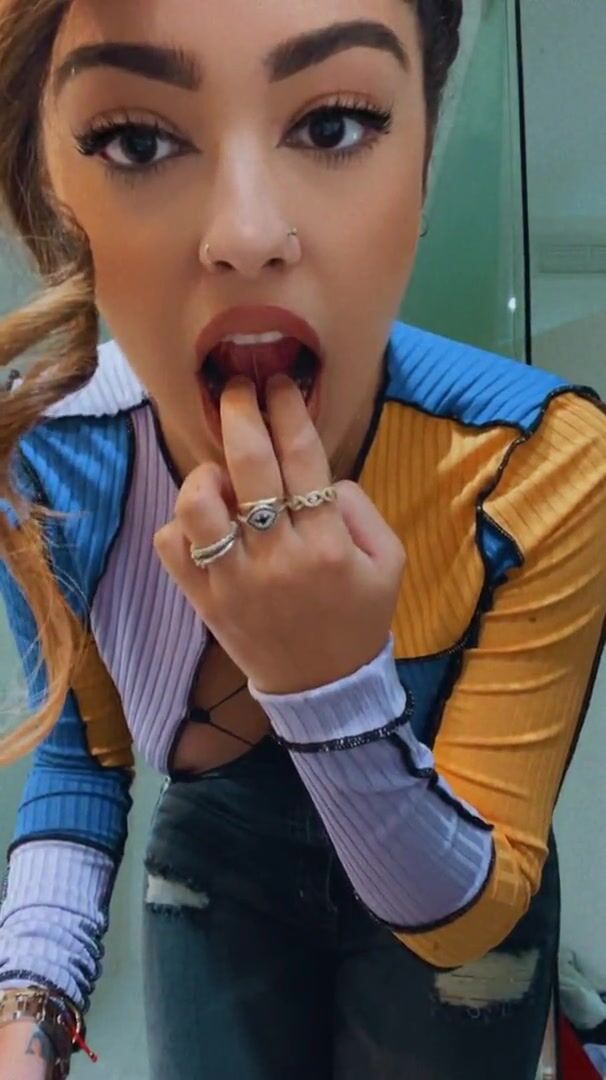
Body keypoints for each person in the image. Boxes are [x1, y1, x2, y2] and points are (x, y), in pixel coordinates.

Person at [0, 1, 604, 1078]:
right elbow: (85, 753)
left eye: (333, 125)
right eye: (135, 139)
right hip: (216, 867)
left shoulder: (539, 462)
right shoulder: (48, 458)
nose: (245, 234)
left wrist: (323, 685)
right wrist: (27, 1008)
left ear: (424, 166)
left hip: (457, 874)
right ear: (50, 185)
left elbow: (468, 917)